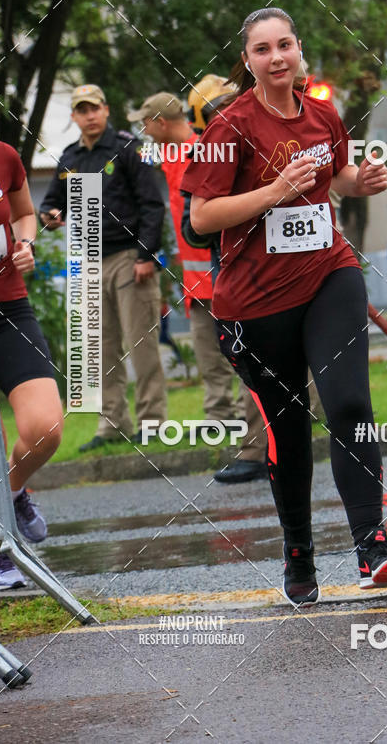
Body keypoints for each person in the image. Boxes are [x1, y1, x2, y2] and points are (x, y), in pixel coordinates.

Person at [181, 7, 387, 605]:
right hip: (256, 301)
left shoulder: (323, 115)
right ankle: (299, 553)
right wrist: (274, 192)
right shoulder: (228, 127)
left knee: (350, 403)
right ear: (248, 60)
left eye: (284, 45)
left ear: (298, 49)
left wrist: (363, 180)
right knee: (287, 429)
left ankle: (372, 548)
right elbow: (200, 219)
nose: (276, 57)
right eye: (263, 49)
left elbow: (337, 178)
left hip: (328, 274)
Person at [128, 88, 268, 482]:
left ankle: (258, 449)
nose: (144, 131)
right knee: (214, 361)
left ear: (160, 122)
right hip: (199, 281)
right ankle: (228, 431)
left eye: (146, 123)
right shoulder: (171, 155)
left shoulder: (202, 151)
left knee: (246, 362)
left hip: (223, 276)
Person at [39, 84, 167, 451]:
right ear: (74, 116)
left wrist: (145, 256)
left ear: (106, 110)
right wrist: (49, 215)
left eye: (94, 108)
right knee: (100, 348)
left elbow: (152, 205)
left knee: (141, 345)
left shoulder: (129, 148)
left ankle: (153, 422)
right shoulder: (70, 157)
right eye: (82, 110)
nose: (90, 115)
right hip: (88, 261)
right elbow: (52, 203)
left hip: (129, 258)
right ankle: (111, 424)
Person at [0, 141, 64, 588]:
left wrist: (25, 242)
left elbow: (23, 215)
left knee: (45, 428)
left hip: (8, 310)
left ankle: (13, 491)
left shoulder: (3, 156)